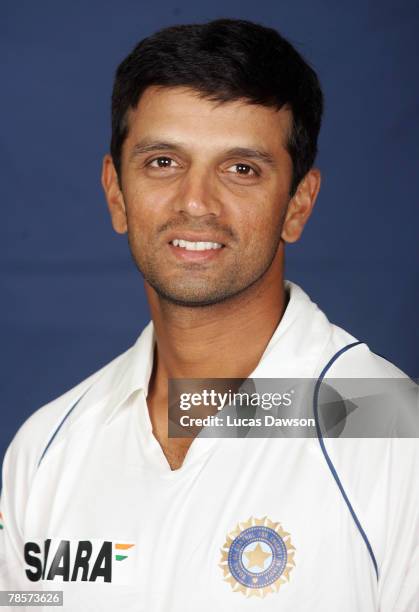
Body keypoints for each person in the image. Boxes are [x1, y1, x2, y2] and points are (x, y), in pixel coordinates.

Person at [0, 18, 417, 612]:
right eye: (163, 162)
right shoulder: (45, 450)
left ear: (298, 205)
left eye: (241, 169)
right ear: (116, 193)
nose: (196, 202)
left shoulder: (397, 435)